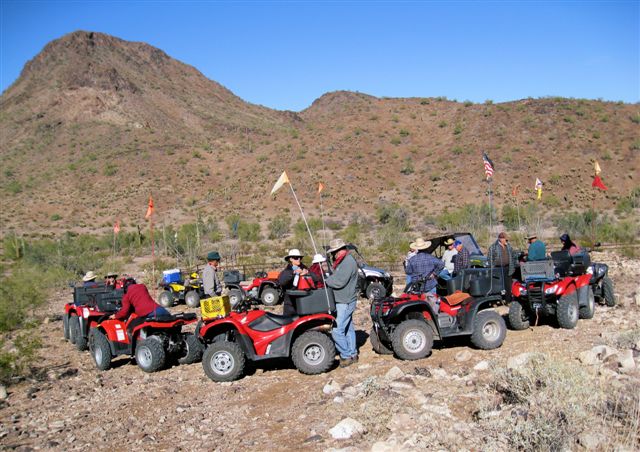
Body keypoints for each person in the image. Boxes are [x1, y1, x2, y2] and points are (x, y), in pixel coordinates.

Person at [325, 238, 359, 367]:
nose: (333, 255)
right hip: (347, 300)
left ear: (340, 250)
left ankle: (345, 356)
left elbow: (339, 282)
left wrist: (326, 281)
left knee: (337, 330)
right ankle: (353, 353)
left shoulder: (347, 262)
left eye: (334, 252)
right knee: (348, 328)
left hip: (345, 301)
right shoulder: (344, 261)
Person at [278, 249, 315, 316]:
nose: (298, 259)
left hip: (304, 303)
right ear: (291, 259)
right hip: (291, 304)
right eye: (296, 257)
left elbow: (316, 278)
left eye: (300, 258)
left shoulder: (305, 268)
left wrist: (308, 272)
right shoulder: (287, 271)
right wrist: (294, 272)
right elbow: (282, 281)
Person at [487, 232, 517, 302]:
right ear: (500, 239)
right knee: (498, 285)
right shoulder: (493, 246)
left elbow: (513, 255)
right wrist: (492, 266)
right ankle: (498, 300)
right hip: (498, 268)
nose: (505, 240)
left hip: (508, 267)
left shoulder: (508, 246)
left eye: (506, 239)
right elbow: (489, 258)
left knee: (508, 285)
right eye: (504, 239)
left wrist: (514, 262)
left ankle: (508, 300)